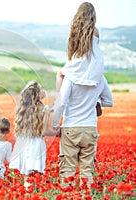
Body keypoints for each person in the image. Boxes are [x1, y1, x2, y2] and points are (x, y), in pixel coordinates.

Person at [52, 2, 113, 188]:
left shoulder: (71, 74)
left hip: (71, 127)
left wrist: (55, 124)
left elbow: (61, 103)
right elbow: (109, 101)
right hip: (90, 129)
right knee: (87, 173)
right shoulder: (99, 77)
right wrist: (94, 103)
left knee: (68, 173)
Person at [9, 81, 58, 188]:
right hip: (35, 144)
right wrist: (58, 133)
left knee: (27, 176)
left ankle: (26, 194)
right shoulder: (44, 109)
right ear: (37, 94)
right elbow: (44, 132)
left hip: (22, 142)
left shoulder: (23, 109)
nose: (44, 90)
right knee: (36, 175)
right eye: (41, 89)